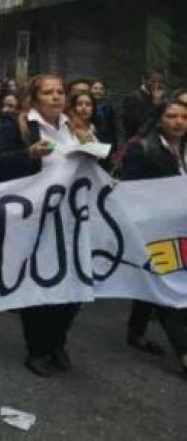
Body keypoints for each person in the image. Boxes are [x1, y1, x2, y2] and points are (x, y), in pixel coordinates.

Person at [0, 74, 93, 377]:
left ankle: (57, 341)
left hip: (73, 216)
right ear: (34, 98)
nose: (56, 97)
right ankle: (37, 349)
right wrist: (28, 154)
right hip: (36, 218)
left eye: (60, 91)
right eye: (48, 92)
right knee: (39, 282)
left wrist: (94, 151)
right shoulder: (19, 126)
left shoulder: (76, 126)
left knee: (75, 284)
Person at [119, 98, 187, 377]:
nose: (179, 122)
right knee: (168, 286)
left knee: (156, 281)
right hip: (156, 231)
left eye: (184, 117)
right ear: (159, 120)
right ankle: (184, 350)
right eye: (172, 116)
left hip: (183, 228)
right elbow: (130, 191)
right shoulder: (142, 148)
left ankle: (136, 331)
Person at [122, 69, 165, 139]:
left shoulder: (162, 97)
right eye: (153, 81)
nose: (157, 85)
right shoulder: (133, 98)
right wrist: (154, 105)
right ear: (144, 80)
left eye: (160, 82)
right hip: (138, 140)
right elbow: (134, 124)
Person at [91, 80, 118, 150]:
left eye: (101, 89)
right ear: (90, 90)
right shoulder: (86, 105)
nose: (98, 91)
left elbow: (113, 126)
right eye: (95, 88)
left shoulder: (108, 106)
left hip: (106, 141)